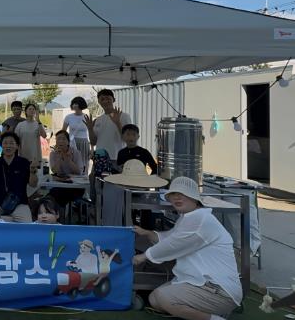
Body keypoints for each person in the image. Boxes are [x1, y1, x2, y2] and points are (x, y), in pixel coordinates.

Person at [133, 177, 242, 320]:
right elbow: (169, 239)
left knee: (163, 297)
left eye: (183, 194)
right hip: (200, 283)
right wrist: (147, 233)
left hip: (218, 289)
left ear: (195, 198)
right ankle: (213, 312)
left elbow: (173, 245)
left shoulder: (200, 219)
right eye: (173, 194)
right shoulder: (189, 217)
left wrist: (143, 256)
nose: (177, 197)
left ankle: (215, 318)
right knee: (154, 300)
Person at [0, 132, 38, 223]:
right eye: (5, 143)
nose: (8, 146)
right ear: (1, 145)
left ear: (17, 146)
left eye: (11, 143)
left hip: (20, 203)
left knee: (27, 225)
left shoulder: (24, 163)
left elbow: (33, 184)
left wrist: (32, 172)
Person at [84, 89, 131, 162]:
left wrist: (118, 123)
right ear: (99, 101)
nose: (105, 101)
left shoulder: (124, 116)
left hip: (117, 157)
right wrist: (90, 129)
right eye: (102, 99)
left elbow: (128, 139)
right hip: (100, 157)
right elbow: (93, 142)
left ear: (114, 100)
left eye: (108, 99)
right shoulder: (98, 120)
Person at [61, 96, 91, 171]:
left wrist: (92, 148)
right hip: (72, 143)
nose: (74, 105)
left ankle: (84, 177)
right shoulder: (68, 117)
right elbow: (63, 131)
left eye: (76, 103)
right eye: (73, 103)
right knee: (72, 162)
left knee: (84, 164)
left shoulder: (86, 117)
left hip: (84, 143)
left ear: (81, 104)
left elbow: (91, 131)